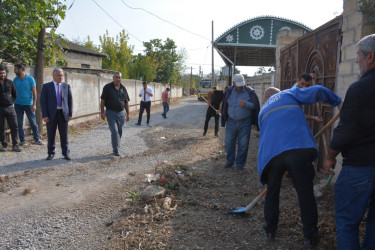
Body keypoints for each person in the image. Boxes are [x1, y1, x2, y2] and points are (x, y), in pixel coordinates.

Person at [258, 86, 341, 248]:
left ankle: (270, 230)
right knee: (305, 195)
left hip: (272, 155)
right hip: (298, 149)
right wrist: (337, 101)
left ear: (267, 98)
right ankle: (310, 237)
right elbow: (316, 90)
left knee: (272, 193)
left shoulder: (262, 111)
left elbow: (266, 138)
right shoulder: (288, 93)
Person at [322, 34, 375, 249]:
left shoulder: (360, 88)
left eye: (358, 56)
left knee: (347, 223)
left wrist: (330, 156)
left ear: (370, 56)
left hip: (360, 167)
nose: (356, 61)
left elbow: (346, 131)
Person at [221, 74, 260, 170]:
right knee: (228, 143)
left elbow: (255, 106)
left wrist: (246, 104)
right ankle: (230, 161)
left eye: (241, 84)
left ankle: (240, 164)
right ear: (233, 83)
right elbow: (224, 103)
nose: (240, 86)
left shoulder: (250, 92)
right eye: (238, 84)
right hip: (231, 122)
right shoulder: (229, 91)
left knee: (243, 145)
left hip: (245, 122)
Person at [40, 68, 73, 161]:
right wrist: (45, 115)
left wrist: (70, 113)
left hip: (63, 114)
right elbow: (43, 102)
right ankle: (51, 153)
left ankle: (66, 153)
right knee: (51, 134)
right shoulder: (46, 87)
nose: (61, 77)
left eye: (62, 75)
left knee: (64, 135)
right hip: (51, 115)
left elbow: (70, 101)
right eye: (59, 75)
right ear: (53, 75)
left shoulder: (66, 86)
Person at [100, 72, 130, 156]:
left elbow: (126, 102)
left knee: (119, 131)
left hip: (121, 113)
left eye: (119, 77)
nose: (118, 79)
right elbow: (102, 101)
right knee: (114, 130)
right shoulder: (107, 87)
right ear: (113, 78)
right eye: (116, 77)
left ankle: (116, 145)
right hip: (110, 112)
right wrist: (102, 112)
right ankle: (116, 150)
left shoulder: (123, 88)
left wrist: (128, 114)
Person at [13, 64, 43, 146]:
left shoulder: (30, 79)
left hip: (29, 105)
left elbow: (34, 92)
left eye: (15, 69)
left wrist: (34, 104)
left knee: (33, 122)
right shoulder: (15, 80)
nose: (14, 71)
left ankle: (37, 139)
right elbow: (13, 92)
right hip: (18, 104)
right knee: (19, 123)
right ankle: (22, 141)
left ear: (20, 69)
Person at [0, 65, 22, 152]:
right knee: (0, 128)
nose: (2, 74)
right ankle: (4, 145)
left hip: (10, 108)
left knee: (14, 126)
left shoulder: (10, 82)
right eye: (1, 73)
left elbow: (15, 94)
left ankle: (15, 145)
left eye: (3, 73)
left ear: (6, 73)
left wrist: (10, 101)